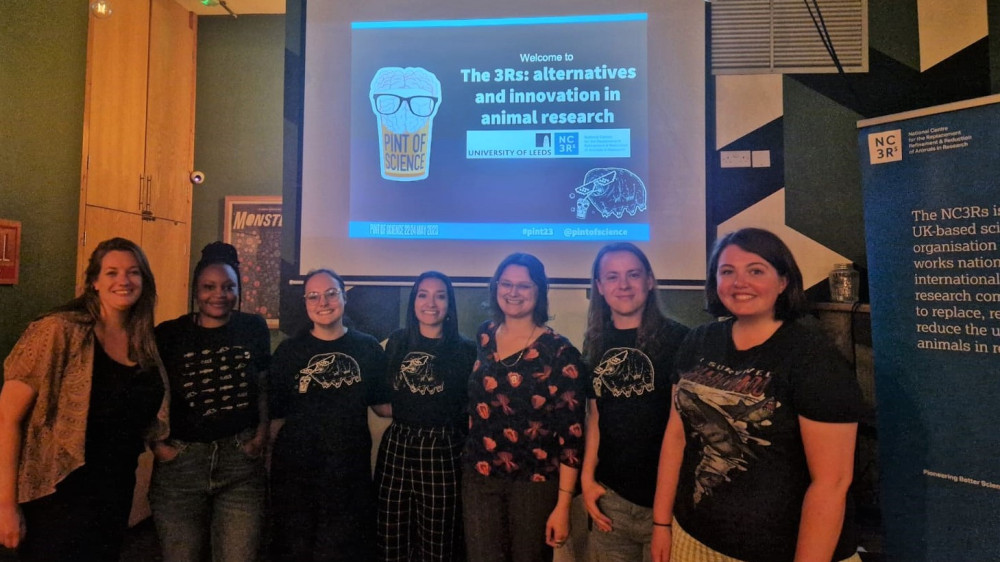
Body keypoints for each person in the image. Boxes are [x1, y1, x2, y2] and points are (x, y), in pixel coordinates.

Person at [651, 227, 862, 562]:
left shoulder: (813, 357)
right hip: (693, 538)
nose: (739, 283)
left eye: (756, 271)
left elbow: (832, 483)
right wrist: (661, 523)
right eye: (727, 272)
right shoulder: (697, 341)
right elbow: (676, 436)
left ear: (783, 282)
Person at [0, 237, 169, 560]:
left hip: (115, 491)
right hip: (58, 492)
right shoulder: (58, 331)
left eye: (133, 272)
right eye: (112, 272)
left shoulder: (144, 342)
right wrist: (5, 505)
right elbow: (7, 417)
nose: (124, 280)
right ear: (94, 281)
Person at [150, 241, 271, 562]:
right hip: (182, 466)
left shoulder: (253, 327)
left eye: (228, 287)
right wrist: (156, 445)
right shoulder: (169, 334)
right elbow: (146, 393)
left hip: (240, 463)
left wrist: (261, 435)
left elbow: (262, 383)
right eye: (209, 286)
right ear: (195, 290)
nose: (219, 294)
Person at [463, 253, 588, 562]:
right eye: (505, 284)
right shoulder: (485, 334)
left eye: (524, 286)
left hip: (535, 485)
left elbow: (571, 438)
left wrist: (563, 505)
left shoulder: (560, 352)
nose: (513, 292)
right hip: (480, 477)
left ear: (539, 292)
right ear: (495, 288)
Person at [268, 269, 391, 561]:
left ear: (344, 297)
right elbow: (276, 418)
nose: (323, 302)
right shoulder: (289, 352)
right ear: (306, 302)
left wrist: (438, 404)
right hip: (295, 476)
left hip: (349, 476)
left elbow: (381, 405)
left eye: (331, 293)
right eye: (314, 295)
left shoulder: (368, 348)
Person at [580, 243, 689, 562]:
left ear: (650, 281)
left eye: (633, 274)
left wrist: (662, 519)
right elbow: (596, 417)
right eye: (612, 277)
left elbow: (680, 427)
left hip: (671, 506)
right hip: (612, 502)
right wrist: (587, 480)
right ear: (599, 287)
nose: (623, 285)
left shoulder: (680, 339)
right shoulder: (596, 342)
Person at [374, 271, 476, 562]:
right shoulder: (397, 341)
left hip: (443, 448)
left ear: (449, 305)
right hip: (398, 444)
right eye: (423, 294)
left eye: (440, 295)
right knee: (390, 537)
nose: (431, 303)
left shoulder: (466, 349)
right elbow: (381, 399)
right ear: (413, 301)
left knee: (438, 542)